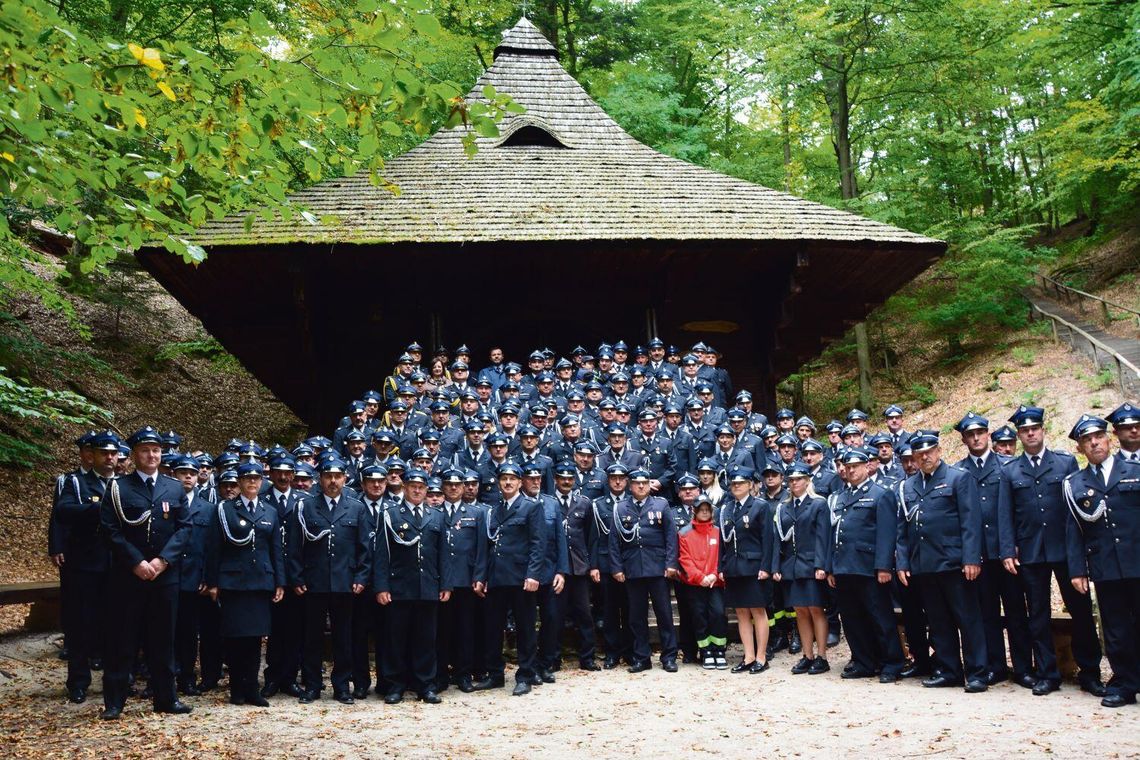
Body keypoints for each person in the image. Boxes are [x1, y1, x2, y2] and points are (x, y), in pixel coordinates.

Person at [997, 405, 1104, 697]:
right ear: (1019, 435)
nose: (1030, 433)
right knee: (1038, 615)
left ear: (1043, 431)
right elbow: (1004, 514)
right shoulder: (1010, 471)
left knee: (1080, 611)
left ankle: (1090, 672)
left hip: (1065, 550)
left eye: (1035, 428)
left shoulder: (1065, 463)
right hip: (1030, 553)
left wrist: (1079, 550)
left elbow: (1074, 510)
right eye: (1025, 430)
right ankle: (1047, 673)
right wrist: (1007, 550)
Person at [99, 426, 192, 720]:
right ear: (134, 454)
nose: (151, 455)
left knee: (163, 640)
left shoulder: (174, 487)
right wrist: (137, 562)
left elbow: (184, 528)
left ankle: (166, 698)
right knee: (122, 639)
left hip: (165, 577)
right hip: (129, 577)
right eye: (145, 450)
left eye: (156, 450)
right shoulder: (118, 488)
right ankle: (115, 702)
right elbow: (110, 531)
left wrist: (163, 561)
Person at [895, 430, 987, 693]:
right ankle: (949, 670)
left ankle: (977, 672)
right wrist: (903, 562)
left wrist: (971, 558)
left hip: (955, 563)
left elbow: (971, 522)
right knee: (938, 621)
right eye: (919, 453)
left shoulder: (958, 478)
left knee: (967, 619)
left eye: (929, 451)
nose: (925, 457)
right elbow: (903, 528)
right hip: (924, 565)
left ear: (939, 451)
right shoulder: (909, 486)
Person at [1063, 414, 1140, 708]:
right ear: (1080, 448)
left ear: (1108, 439)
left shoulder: (1134, 469)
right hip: (1105, 566)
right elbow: (1074, 531)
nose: (1094, 442)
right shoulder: (1075, 483)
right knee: (1116, 629)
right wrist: (1077, 569)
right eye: (1086, 440)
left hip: (1137, 561)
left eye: (1098, 437)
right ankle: (1125, 684)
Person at [954, 412, 1033, 687]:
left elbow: (1017, 511)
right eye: (970, 435)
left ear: (988, 435)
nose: (976, 438)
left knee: (1015, 612)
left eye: (980, 433)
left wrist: (1013, 546)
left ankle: (1023, 667)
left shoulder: (1008, 466)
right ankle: (995, 665)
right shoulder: (959, 471)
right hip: (978, 556)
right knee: (986, 613)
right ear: (964, 439)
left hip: (1005, 553)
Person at [289, 458, 371, 705]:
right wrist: (296, 577)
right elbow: (294, 547)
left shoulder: (356, 508)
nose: (333, 481)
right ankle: (313, 685)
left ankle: (342, 686)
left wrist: (361, 577)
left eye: (338, 476)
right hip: (314, 583)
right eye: (328, 476)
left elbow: (364, 549)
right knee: (312, 636)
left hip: (345, 583)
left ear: (345, 479)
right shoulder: (305, 507)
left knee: (343, 637)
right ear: (320, 479)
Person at [204, 462, 285, 707]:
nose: (252, 483)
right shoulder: (225, 509)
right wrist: (213, 582)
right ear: (239, 482)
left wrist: (280, 581)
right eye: (247, 479)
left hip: (260, 582)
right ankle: (237, 689)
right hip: (234, 582)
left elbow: (275, 550)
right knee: (234, 638)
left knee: (255, 639)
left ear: (262, 482)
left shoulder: (269, 511)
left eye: (256, 479)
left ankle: (252, 688)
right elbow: (213, 548)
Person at [827, 448, 906, 683]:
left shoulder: (880, 494)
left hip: (869, 567)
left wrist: (883, 567)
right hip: (844, 567)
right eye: (847, 467)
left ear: (867, 466)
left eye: (855, 466)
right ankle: (864, 661)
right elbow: (834, 534)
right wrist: (831, 567)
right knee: (852, 619)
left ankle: (891, 662)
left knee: (880, 617)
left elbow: (886, 534)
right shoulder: (840, 497)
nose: (850, 470)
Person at [373, 468, 450, 704]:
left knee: (426, 639)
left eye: (422, 487)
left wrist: (445, 584)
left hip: (427, 586)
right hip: (399, 587)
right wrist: (381, 587)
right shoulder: (390, 515)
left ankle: (425, 685)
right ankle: (395, 685)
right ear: (404, 487)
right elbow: (381, 555)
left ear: (427, 490)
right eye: (413, 486)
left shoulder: (436, 516)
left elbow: (443, 555)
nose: (417, 490)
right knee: (396, 638)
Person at [52, 430, 116, 704]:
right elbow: (63, 511)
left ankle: (116, 681)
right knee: (80, 624)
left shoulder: (124, 483)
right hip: (85, 563)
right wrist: (98, 508)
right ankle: (78, 682)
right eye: (105, 453)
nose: (110, 458)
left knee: (114, 624)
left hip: (117, 565)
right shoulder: (76, 482)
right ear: (93, 455)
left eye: (114, 454)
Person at [474, 462, 546, 696]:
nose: (507, 483)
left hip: (521, 578)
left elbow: (538, 543)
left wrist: (533, 574)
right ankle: (495, 674)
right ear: (498, 483)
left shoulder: (531, 507)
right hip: (496, 578)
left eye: (512, 479)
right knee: (492, 628)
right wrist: (481, 576)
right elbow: (487, 546)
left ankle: (525, 674)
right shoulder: (493, 511)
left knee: (525, 628)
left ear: (520, 482)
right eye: (503, 479)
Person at [609, 468, 680, 673]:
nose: (641, 486)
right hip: (632, 568)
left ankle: (669, 657)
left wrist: (671, 563)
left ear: (650, 484)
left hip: (658, 568)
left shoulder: (661, 504)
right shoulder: (620, 508)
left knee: (664, 614)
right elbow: (614, 541)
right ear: (630, 485)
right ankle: (642, 657)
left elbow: (670, 537)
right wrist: (617, 567)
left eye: (645, 482)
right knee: (636, 616)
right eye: (637, 483)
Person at [773, 464, 831, 675]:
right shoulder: (784, 506)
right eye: (791, 479)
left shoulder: (818, 504)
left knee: (815, 609)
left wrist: (820, 565)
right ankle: (807, 655)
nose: (794, 482)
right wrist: (777, 566)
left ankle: (822, 656)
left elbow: (822, 537)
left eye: (799, 479)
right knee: (800, 611)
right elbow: (780, 541)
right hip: (792, 567)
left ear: (808, 480)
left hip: (812, 565)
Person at [719, 465, 776, 673]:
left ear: (750, 485)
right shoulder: (727, 508)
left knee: (758, 611)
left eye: (741, 483)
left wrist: (766, 567)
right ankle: (749, 656)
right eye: (733, 483)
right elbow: (723, 542)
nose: (736, 486)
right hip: (734, 567)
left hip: (754, 567)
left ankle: (761, 656)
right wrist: (721, 567)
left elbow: (768, 540)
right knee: (741, 612)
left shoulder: (760, 506)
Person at [436, 468, 487, 693]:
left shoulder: (475, 513)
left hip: (466, 580)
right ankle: (440, 675)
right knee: (442, 630)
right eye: (449, 484)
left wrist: (479, 576)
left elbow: (482, 550)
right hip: (441, 582)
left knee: (466, 630)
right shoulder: (434, 512)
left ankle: (463, 674)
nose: (454, 488)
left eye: (458, 484)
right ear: (443, 487)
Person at [553, 462, 602, 671]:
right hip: (556, 569)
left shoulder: (584, 503)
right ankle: (552, 658)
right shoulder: (548, 502)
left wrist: (593, 565)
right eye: (562, 478)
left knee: (584, 613)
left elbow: (592, 537)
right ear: (555, 479)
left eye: (570, 478)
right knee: (554, 615)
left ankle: (587, 657)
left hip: (579, 566)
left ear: (574, 479)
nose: (566, 481)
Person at [589, 463, 633, 668]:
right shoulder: (598, 504)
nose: (617, 481)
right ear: (608, 480)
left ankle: (631, 651)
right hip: (606, 564)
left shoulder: (634, 502)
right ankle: (612, 653)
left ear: (627, 481)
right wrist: (594, 565)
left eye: (621, 478)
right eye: (614, 478)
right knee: (609, 610)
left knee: (631, 609)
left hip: (631, 563)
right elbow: (594, 538)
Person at [677, 494, 727, 670]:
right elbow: (685, 560)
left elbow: (721, 557)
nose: (704, 512)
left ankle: (719, 650)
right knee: (699, 617)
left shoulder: (718, 532)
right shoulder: (684, 533)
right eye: (701, 510)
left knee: (718, 614)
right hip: (695, 584)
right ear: (694, 511)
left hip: (715, 583)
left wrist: (713, 574)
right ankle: (705, 651)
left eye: (707, 510)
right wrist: (700, 577)